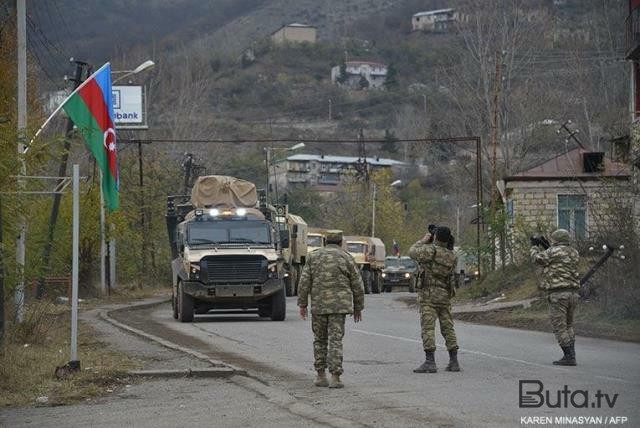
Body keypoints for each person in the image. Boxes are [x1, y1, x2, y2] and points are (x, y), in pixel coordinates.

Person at [298, 229, 365, 388]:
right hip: (339, 307)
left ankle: (320, 376)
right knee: (335, 341)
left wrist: (303, 304)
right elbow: (358, 285)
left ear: (325, 241)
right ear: (341, 242)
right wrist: (358, 307)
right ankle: (335, 377)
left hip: (319, 306)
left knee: (319, 340)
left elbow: (304, 282)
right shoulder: (346, 258)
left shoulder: (313, 257)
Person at [409, 226, 460, 373]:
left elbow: (412, 252)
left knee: (428, 328)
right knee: (448, 328)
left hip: (429, 296)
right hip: (444, 295)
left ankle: (430, 362)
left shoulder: (430, 250)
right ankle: (454, 361)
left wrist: (423, 240)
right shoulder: (452, 255)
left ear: (436, 237)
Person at [530, 228, 580, 366]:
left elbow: (537, 259)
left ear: (556, 240)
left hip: (558, 294)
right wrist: (547, 245)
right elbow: (557, 257)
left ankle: (569, 356)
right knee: (569, 325)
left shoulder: (552, 252)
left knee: (559, 327)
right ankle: (572, 353)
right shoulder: (574, 252)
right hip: (573, 294)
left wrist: (534, 246)